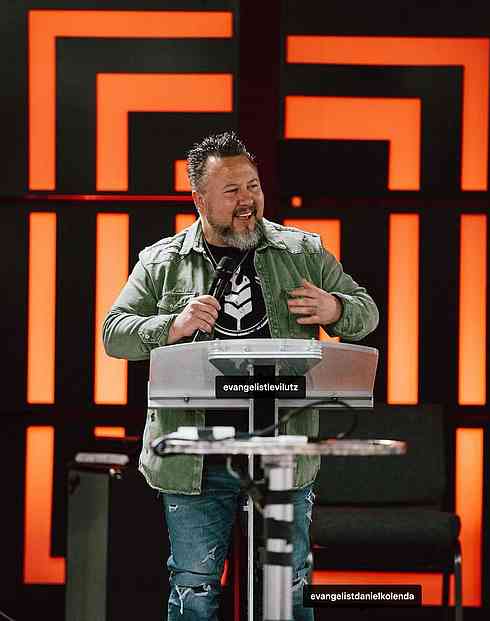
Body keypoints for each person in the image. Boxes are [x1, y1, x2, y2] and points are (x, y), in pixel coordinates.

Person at [103, 131, 379, 620]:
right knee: (194, 588)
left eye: (253, 186)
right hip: (195, 459)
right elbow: (114, 334)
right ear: (199, 199)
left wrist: (336, 309)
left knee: (287, 588)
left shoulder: (302, 251)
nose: (247, 200)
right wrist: (173, 325)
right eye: (231, 191)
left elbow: (366, 311)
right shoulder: (162, 261)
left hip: (281, 454)